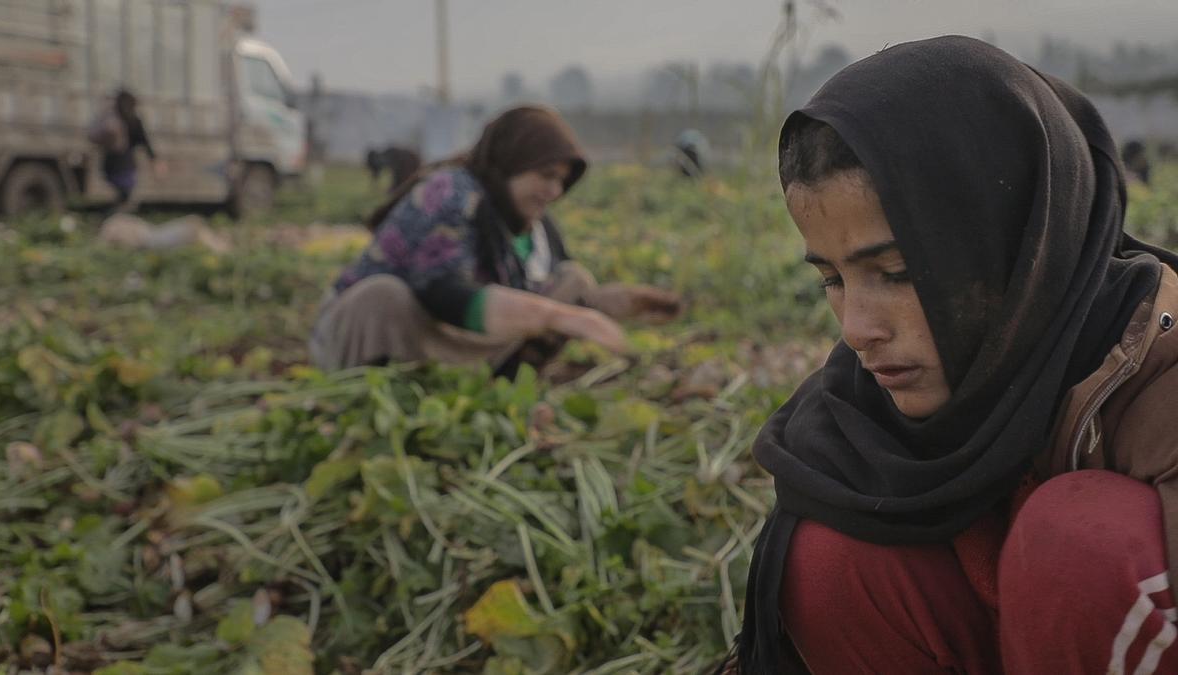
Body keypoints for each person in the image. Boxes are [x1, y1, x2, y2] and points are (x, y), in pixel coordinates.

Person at [729, 36, 1178, 674]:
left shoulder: (1157, 368)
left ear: (1018, 245)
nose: (857, 330)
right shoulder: (857, 406)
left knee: (1077, 542)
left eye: (900, 270)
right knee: (831, 553)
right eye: (833, 279)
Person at [310, 105, 681, 375]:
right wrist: (562, 316)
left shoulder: (532, 224)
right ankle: (371, 395)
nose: (554, 191)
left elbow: (550, 293)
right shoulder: (450, 192)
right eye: (545, 175)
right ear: (511, 164)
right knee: (383, 296)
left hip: (450, 345)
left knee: (573, 281)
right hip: (380, 334)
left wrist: (613, 304)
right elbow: (443, 293)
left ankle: (498, 383)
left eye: (561, 181)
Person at [89, 89, 163, 212]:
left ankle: (113, 213)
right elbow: (144, 141)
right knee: (126, 196)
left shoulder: (111, 118)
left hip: (110, 164)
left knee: (122, 196)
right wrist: (155, 160)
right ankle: (116, 214)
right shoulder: (132, 120)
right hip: (125, 165)